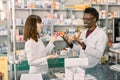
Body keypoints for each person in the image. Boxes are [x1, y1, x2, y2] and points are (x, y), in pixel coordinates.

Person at [61, 7, 108, 79]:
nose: (85, 21)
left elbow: (99, 54)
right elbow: (80, 50)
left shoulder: (101, 34)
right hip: (82, 67)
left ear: (95, 19)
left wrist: (84, 46)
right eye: (84, 19)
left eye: (88, 19)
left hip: (94, 68)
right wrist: (70, 43)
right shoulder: (84, 32)